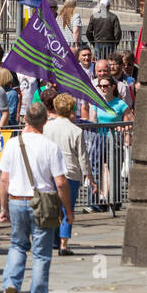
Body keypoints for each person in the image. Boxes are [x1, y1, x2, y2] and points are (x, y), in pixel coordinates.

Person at [0, 102, 74, 293]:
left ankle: (11, 285)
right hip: (42, 203)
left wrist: (3, 207)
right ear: (45, 121)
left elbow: (4, 179)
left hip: (16, 199)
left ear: (25, 119)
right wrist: (68, 210)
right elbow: (60, 182)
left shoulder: (13, 144)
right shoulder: (49, 146)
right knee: (41, 254)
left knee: (17, 245)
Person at [44, 93, 93, 256]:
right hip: (70, 173)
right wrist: (90, 177)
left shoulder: (46, 127)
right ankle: (63, 244)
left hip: (50, 172)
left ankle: (52, 240)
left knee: (52, 208)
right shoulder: (76, 131)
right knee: (67, 209)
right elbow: (83, 157)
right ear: (71, 109)